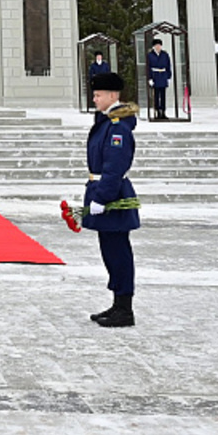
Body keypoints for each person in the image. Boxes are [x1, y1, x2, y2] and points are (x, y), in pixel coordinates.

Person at [83, 71, 141, 327]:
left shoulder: (117, 127)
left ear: (113, 96)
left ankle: (125, 308)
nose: (94, 99)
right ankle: (118, 303)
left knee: (118, 252)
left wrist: (102, 198)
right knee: (110, 250)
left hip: (112, 195)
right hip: (103, 191)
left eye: (98, 95)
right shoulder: (108, 121)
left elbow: (114, 166)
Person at [146, 37, 173, 119]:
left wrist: (169, 76)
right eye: (156, 45)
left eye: (159, 45)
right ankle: (157, 111)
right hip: (155, 76)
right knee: (156, 95)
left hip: (163, 75)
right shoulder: (150, 55)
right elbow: (148, 67)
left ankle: (163, 112)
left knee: (163, 95)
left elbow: (168, 65)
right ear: (154, 46)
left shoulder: (165, 54)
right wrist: (150, 78)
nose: (158, 47)